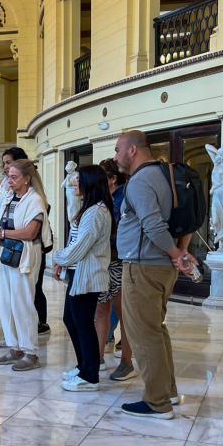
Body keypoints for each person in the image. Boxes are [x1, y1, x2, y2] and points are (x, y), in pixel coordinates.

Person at [115, 130, 196, 419]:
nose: (116, 157)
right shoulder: (165, 174)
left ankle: (156, 402)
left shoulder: (140, 181)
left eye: (117, 150)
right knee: (156, 330)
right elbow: (187, 217)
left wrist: (177, 255)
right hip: (159, 267)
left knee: (143, 334)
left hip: (143, 266)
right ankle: (168, 392)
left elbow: (152, 224)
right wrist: (180, 251)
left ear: (133, 150)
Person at [53, 165, 113, 392]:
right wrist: (63, 261)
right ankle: (83, 367)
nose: (74, 184)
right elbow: (75, 239)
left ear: (91, 183)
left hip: (88, 274)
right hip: (78, 272)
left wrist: (58, 257)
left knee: (83, 323)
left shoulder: (97, 211)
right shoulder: (87, 208)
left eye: (79, 180)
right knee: (71, 319)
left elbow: (81, 246)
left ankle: (90, 376)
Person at [0, 159, 52, 371]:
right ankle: (15, 347)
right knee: (6, 303)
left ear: (27, 179)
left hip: (25, 255)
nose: (10, 180)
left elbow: (30, 232)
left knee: (23, 303)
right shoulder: (9, 197)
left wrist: (4, 233)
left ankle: (31, 351)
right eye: (9, 175)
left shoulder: (35, 200)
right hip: (8, 253)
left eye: (14, 176)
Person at [98, 159, 136, 381]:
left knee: (125, 314)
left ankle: (127, 362)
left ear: (112, 179)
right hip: (106, 261)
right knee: (101, 310)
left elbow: (122, 232)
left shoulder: (124, 199)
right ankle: (99, 356)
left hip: (121, 262)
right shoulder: (106, 198)